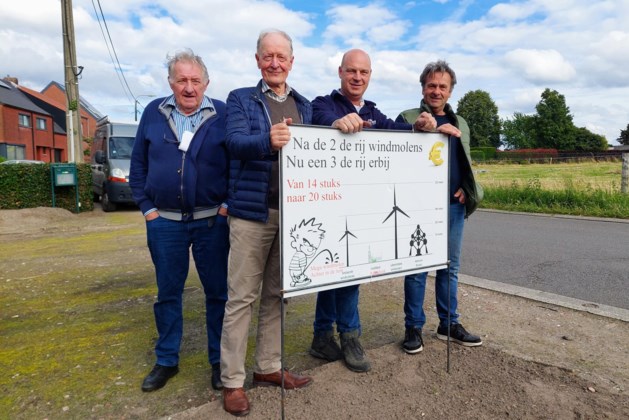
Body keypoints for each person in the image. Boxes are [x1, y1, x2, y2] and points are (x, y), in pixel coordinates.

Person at [310, 49, 436, 373]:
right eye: (351, 71)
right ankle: (349, 336)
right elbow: (318, 122)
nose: (357, 77)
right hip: (330, 202)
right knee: (342, 268)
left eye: (363, 73)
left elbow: (396, 132)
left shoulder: (375, 113)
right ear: (340, 72)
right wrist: (337, 123)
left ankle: (322, 335)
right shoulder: (323, 104)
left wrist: (418, 127)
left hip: (360, 205)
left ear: (370, 76)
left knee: (340, 269)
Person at [220, 29, 313, 417]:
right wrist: (266, 140)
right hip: (251, 214)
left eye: (282, 57)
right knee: (241, 297)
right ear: (257, 60)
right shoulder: (241, 98)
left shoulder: (304, 104)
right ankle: (232, 382)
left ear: (292, 62)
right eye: (267, 56)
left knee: (278, 294)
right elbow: (234, 142)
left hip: (291, 215)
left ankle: (269, 368)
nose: (275, 63)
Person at [129, 49, 229, 392]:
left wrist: (227, 204)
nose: (189, 87)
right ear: (170, 82)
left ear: (206, 83)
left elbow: (238, 164)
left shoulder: (224, 114)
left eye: (195, 80)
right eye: (181, 80)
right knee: (168, 293)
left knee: (218, 293)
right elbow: (138, 165)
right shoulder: (153, 113)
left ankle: (220, 362)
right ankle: (167, 360)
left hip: (211, 223)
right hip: (164, 222)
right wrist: (147, 208)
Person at [397, 60, 484, 355]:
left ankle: (449, 323)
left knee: (450, 267)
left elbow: (465, 161)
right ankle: (413, 327)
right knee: (417, 267)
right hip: (419, 207)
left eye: (442, 86)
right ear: (423, 87)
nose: (436, 91)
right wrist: (418, 129)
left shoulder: (461, 123)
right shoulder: (407, 116)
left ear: (450, 91)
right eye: (431, 85)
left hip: (453, 206)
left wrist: (465, 188)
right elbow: (395, 151)